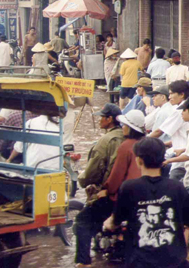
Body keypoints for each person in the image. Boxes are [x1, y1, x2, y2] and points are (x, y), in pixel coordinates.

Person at [103, 138, 189, 268]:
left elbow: (116, 220)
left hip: (140, 262)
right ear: (162, 160)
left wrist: (108, 223)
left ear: (139, 160)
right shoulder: (177, 187)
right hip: (174, 262)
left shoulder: (129, 187)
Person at [74, 104, 124, 268]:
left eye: (102, 116)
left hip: (109, 193)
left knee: (81, 222)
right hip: (126, 192)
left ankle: (83, 262)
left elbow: (93, 171)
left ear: (109, 120)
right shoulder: (128, 137)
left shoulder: (105, 141)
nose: (99, 119)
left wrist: (83, 181)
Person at [97, 110, 145, 206]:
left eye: (125, 125)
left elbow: (117, 175)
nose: (122, 127)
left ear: (131, 128)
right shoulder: (147, 143)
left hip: (127, 194)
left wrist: (107, 190)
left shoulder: (126, 146)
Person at [148, 81, 189, 181]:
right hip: (187, 153)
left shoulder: (181, 110)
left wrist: (141, 141)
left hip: (181, 158)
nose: (169, 96)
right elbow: (184, 134)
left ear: (181, 94)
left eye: (171, 93)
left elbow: (159, 131)